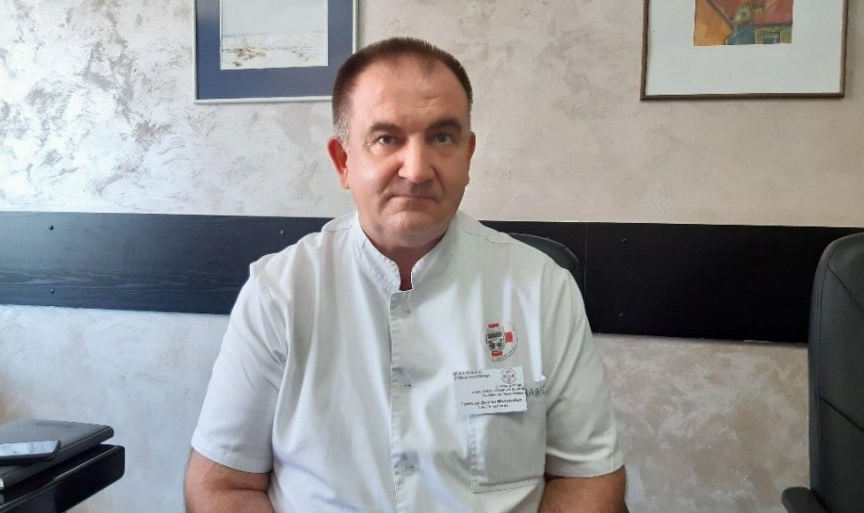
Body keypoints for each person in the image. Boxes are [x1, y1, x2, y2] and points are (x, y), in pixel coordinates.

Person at [184, 36, 626, 513]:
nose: (416, 170)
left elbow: (588, 478)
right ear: (344, 161)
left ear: (468, 155)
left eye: (442, 138)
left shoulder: (541, 288)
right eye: (386, 139)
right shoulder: (280, 292)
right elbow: (222, 486)